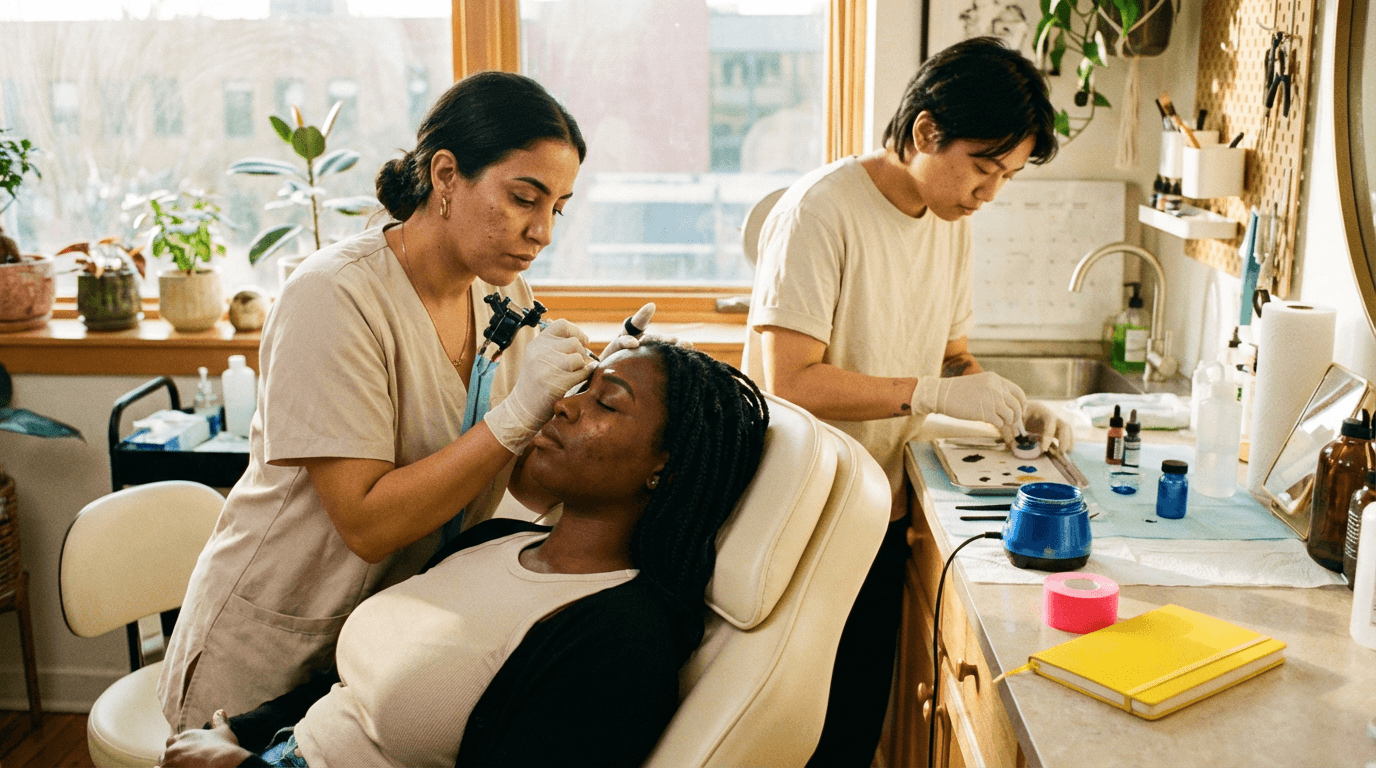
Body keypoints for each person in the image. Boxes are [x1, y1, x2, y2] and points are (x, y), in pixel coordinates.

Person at [159, 71, 658, 731]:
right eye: (523, 198)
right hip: (273, 642)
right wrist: (517, 416)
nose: (542, 232)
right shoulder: (334, 297)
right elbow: (368, 527)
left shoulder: (502, 297)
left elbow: (503, 474)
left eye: (557, 208)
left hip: (380, 643)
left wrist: (594, 421)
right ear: (446, 175)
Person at [158, 342, 771, 768]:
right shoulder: (495, 542)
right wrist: (242, 731)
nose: (563, 404)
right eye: (580, 387)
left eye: (606, 404)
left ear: (664, 467)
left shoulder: (620, 640)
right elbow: (343, 685)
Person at [744, 37, 1074, 765]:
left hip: (881, 508)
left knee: (856, 721)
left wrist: (1014, 405)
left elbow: (952, 355)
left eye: (1006, 176)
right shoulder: (821, 211)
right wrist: (934, 391)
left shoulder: (949, 225)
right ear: (927, 131)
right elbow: (791, 381)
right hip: (802, 518)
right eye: (985, 168)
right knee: (792, 729)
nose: (989, 193)